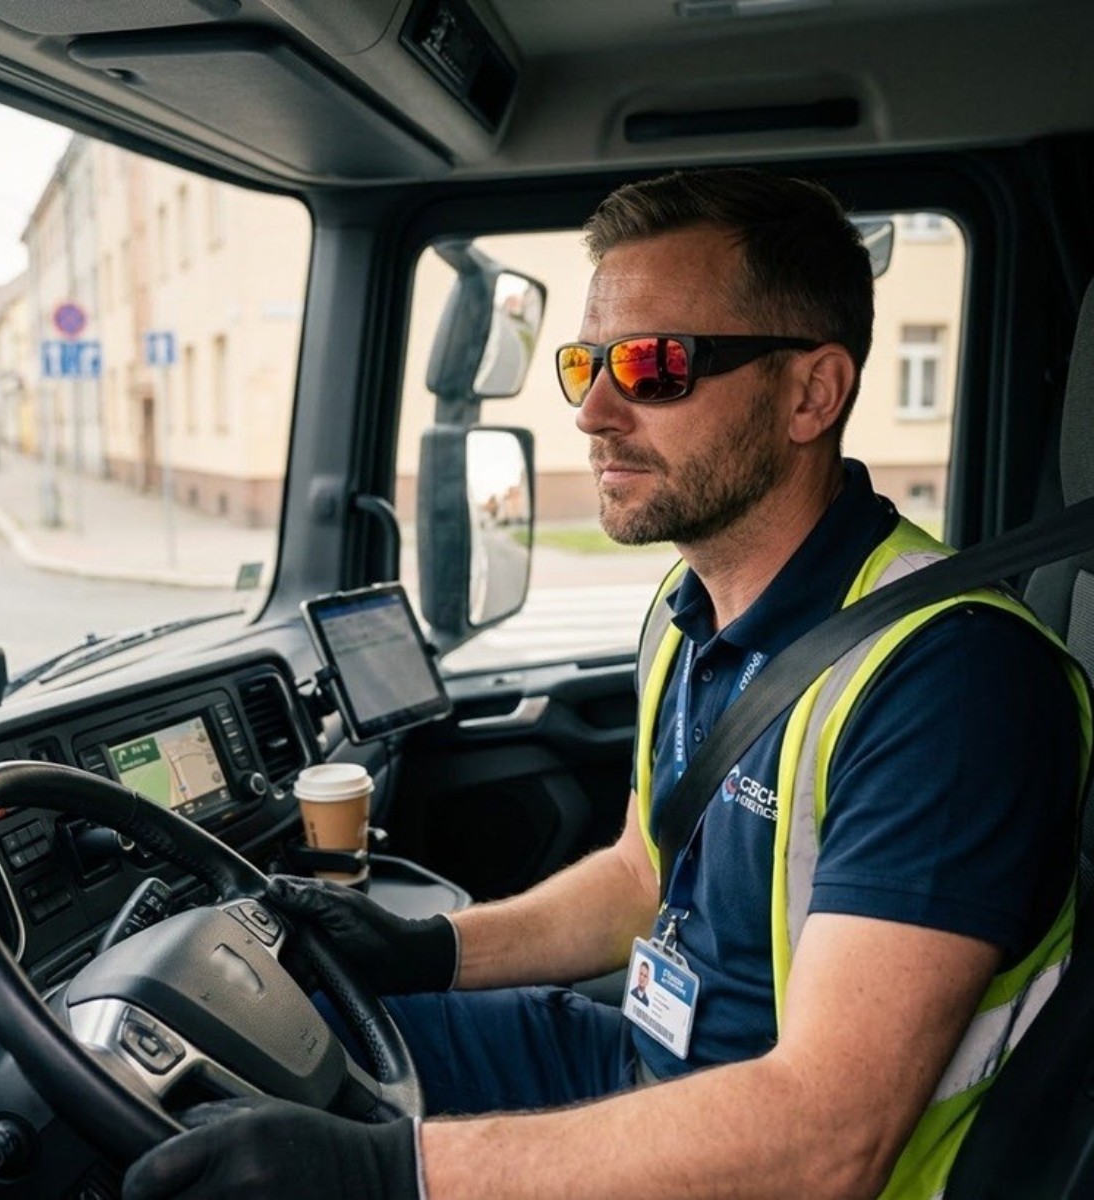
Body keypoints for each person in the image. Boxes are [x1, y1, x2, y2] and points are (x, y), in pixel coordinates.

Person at [123, 169, 1091, 1199]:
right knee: (284, 1030)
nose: (592, 411)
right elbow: (643, 877)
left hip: (771, 1165)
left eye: (656, 365)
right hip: (645, 1061)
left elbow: (825, 1137)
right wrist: (425, 949)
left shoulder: (951, 681)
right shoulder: (689, 607)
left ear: (812, 393)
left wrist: (394, 1172)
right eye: (588, 362)